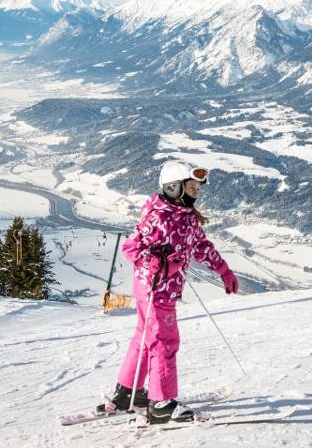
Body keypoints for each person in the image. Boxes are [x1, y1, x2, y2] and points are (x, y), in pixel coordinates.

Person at [97, 160, 240, 424]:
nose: (197, 192)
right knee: (164, 342)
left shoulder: (184, 218)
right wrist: (158, 263)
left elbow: (201, 247)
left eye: (198, 188)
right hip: (154, 290)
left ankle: (127, 393)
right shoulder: (159, 217)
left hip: (160, 290)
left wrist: (224, 271)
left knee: (144, 338)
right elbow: (131, 248)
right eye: (192, 187)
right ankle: (160, 403)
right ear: (174, 188)